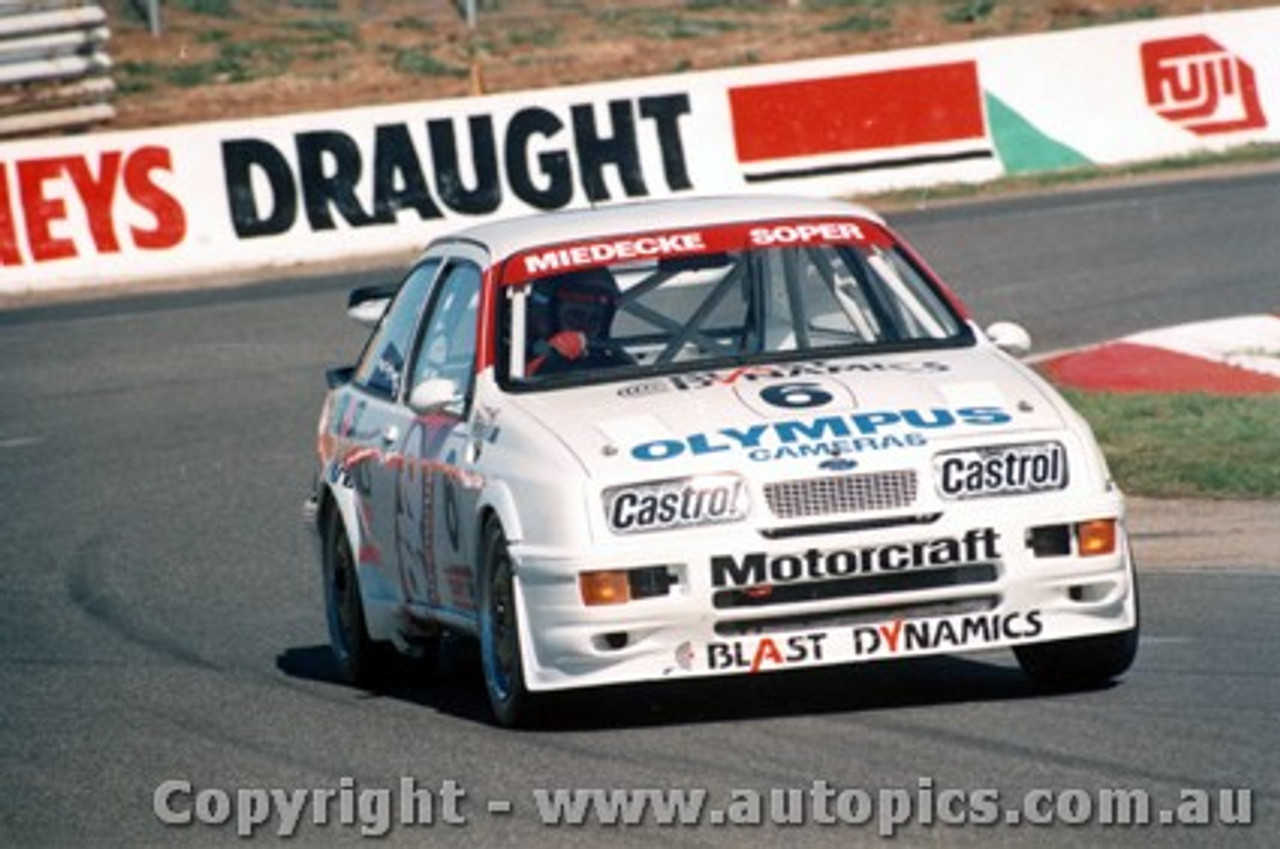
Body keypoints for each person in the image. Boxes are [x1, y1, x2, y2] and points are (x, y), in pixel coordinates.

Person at [527, 268, 633, 375]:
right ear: (549, 318)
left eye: (594, 319)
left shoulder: (616, 362)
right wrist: (548, 356)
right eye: (574, 316)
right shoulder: (517, 355)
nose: (584, 326)